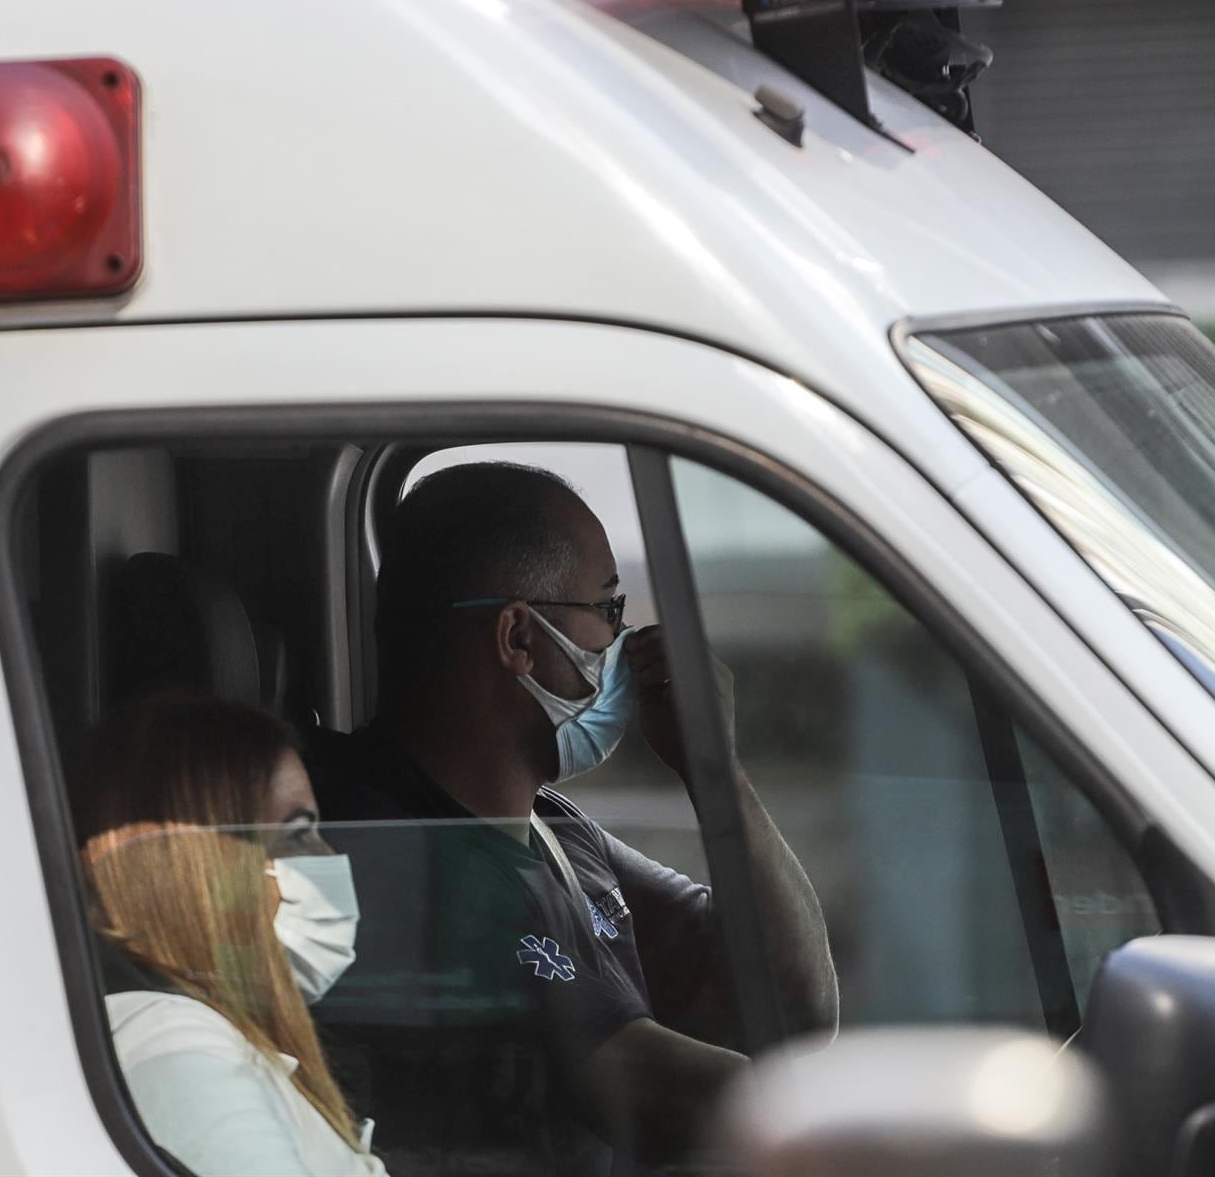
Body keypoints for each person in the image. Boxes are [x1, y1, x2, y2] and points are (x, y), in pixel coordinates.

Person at [307, 462, 838, 1176]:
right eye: (609, 610)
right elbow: (663, 1094)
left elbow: (788, 1004)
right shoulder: (396, 853)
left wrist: (716, 772)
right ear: (519, 639)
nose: (623, 642)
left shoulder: (553, 828)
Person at [80, 695, 388, 1177]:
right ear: (200, 870)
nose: (327, 856)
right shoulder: (177, 1047)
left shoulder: (201, 1031)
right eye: (296, 836)